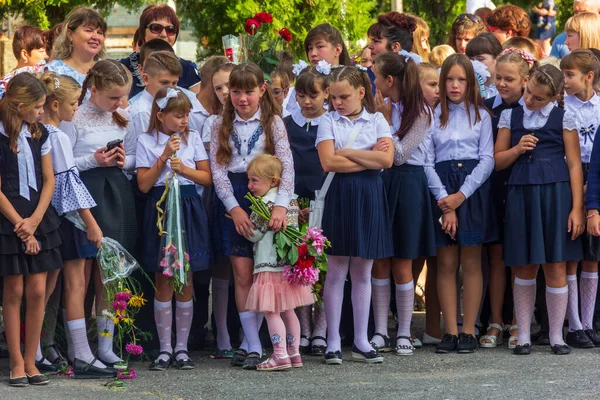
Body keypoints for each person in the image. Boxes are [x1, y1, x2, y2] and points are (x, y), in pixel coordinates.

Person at [495, 65, 584, 355]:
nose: (530, 100)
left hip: (556, 195)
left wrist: (577, 209)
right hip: (521, 194)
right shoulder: (510, 115)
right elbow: (497, 162)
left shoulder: (564, 117)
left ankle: (557, 336)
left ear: (554, 97)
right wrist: (518, 148)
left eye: (539, 98)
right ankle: (523, 335)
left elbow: (573, 164)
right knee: (524, 264)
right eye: (529, 92)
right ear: (526, 82)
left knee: (556, 265)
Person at [210, 63, 294, 370]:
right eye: (235, 91)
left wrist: (282, 206)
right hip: (234, 195)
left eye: (248, 91)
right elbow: (217, 171)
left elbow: (286, 166)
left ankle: (253, 343)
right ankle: (254, 346)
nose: (242, 98)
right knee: (242, 273)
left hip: (267, 196)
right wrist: (233, 208)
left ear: (261, 90)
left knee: (264, 272)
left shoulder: (273, 123)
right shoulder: (217, 123)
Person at [38, 71, 116, 377]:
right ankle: (80, 354)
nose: (76, 107)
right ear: (55, 105)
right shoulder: (55, 135)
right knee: (73, 283)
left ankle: (46, 349)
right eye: (73, 102)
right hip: (65, 217)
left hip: (53, 215)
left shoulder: (41, 132)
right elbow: (68, 183)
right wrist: (91, 223)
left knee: (51, 286)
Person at [316, 65, 394, 365]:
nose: (337, 102)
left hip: (369, 195)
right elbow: (327, 162)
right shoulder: (327, 121)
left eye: (344, 96)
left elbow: (387, 159)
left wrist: (346, 153)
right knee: (336, 270)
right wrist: (367, 157)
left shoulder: (377, 120)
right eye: (333, 97)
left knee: (363, 270)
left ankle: (361, 340)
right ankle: (333, 340)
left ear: (361, 92)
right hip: (340, 194)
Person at [61, 60, 137, 367]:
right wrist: (94, 160)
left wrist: (122, 161)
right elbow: (64, 164)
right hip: (84, 193)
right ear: (93, 90)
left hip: (114, 192)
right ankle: (78, 347)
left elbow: (135, 159)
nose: (120, 103)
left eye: (122, 96)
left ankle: (105, 347)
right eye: (113, 97)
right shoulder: (73, 117)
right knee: (81, 273)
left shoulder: (124, 116)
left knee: (109, 274)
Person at [136, 87, 211, 371]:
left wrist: (184, 170)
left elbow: (206, 178)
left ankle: (182, 347)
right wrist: (164, 156)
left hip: (188, 206)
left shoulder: (192, 140)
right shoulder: (146, 140)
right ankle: (165, 347)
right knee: (164, 277)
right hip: (161, 207)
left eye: (187, 115)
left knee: (185, 276)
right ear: (161, 115)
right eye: (178, 115)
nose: (184, 121)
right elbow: (144, 184)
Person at [425, 54, 497, 354]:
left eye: (461, 80)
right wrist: (446, 201)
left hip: (471, 191)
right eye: (449, 79)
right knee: (445, 263)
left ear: (471, 83)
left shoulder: (481, 116)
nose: (455, 85)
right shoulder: (431, 116)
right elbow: (427, 162)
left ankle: (469, 330)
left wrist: (461, 196)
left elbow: (487, 160)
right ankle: (450, 330)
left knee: (471, 262)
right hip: (442, 190)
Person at [369, 52, 434, 356]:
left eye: (376, 75)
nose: (373, 80)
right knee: (380, 259)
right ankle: (381, 330)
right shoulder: (376, 107)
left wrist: (383, 121)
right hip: (381, 182)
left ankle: (405, 331)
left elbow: (400, 155)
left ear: (389, 80)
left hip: (408, 183)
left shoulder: (420, 111)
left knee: (403, 261)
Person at [0, 73, 62, 387]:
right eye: (37, 106)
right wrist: (19, 225)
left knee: (38, 290)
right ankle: (14, 362)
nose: (42, 111)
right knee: (14, 291)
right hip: (8, 219)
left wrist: (35, 221)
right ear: (21, 105)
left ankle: (31, 360)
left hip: (39, 218)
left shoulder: (41, 133)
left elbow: (49, 180)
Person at [480, 48, 537, 350]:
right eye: (497, 77)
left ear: (525, 80)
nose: (501, 83)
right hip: (493, 185)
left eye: (509, 79)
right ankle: (494, 319)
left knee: (519, 255)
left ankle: (519, 320)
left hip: (524, 187)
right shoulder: (487, 107)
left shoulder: (534, 110)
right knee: (496, 255)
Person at [243, 154, 315, 371]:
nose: (250, 185)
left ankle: (279, 355)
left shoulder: (262, 205)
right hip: (287, 265)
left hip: (267, 265)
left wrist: (244, 225)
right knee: (289, 310)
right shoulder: (289, 201)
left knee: (271, 312)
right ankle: (294, 353)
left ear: (273, 181)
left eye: (255, 180)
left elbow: (254, 235)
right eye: (249, 180)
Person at [283, 65, 328, 356]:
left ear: (326, 93)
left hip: (324, 198)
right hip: (291, 200)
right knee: (295, 261)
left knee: (322, 263)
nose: (307, 102)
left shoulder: (332, 122)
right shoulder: (286, 123)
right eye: (301, 95)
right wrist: (290, 205)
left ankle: (321, 329)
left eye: (313, 95)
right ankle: (302, 327)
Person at [560, 49, 600, 348]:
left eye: (570, 75)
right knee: (572, 255)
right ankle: (573, 324)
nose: (565, 80)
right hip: (571, 177)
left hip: (595, 175)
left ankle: (588, 323)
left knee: (592, 257)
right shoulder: (563, 107)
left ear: (589, 77)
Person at [202, 61, 236, 359]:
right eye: (219, 88)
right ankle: (222, 329)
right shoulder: (212, 122)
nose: (225, 92)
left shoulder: (263, 119)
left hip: (257, 191)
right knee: (223, 264)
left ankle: (254, 333)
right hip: (221, 195)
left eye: (230, 85)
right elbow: (214, 168)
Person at [120, 4, 200, 98]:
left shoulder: (188, 69)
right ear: (142, 32)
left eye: (170, 30)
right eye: (156, 28)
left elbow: (196, 108)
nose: (163, 34)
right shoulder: (121, 69)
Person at [45, 7, 107, 85]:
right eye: (89, 30)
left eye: (100, 32)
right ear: (70, 34)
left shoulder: (107, 71)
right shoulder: (52, 71)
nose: (96, 37)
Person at [0, 25, 48, 96]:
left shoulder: (46, 77)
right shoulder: (5, 87)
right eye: (42, 51)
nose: (46, 56)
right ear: (25, 54)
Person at [466, 32, 503, 98]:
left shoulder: (504, 88)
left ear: (497, 59)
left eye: (480, 59)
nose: (474, 63)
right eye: (471, 59)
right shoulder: (466, 88)